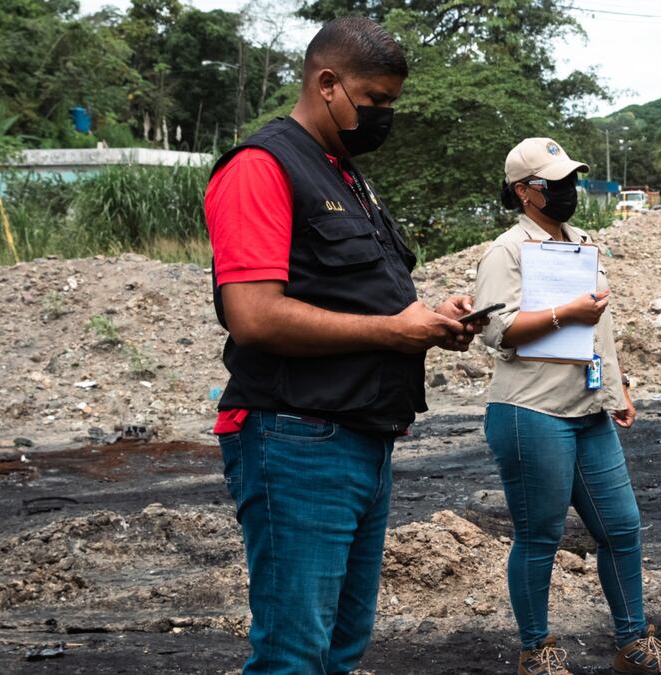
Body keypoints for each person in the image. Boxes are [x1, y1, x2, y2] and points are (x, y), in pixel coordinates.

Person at [204, 17, 483, 674]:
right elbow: (253, 316)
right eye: (374, 102)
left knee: (340, 649)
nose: (383, 116)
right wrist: (395, 330)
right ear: (327, 83)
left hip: (362, 436)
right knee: (294, 654)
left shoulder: (345, 175)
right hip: (297, 440)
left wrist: (429, 317)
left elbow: (358, 296)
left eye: (391, 104)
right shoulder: (261, 168)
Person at [474, 138, 661, 675]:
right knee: (541, 535)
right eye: (556, 182)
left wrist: (617, 391)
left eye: (571, 178)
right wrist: (564, 313)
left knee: (621, 527)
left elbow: (602, 331)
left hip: (587, 410)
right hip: (531, 411)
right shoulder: (505, 251)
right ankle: (536, 653)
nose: (569, 190)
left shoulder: (582, 242)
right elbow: (495, 331)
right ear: (524, 192)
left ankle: (631, 645)